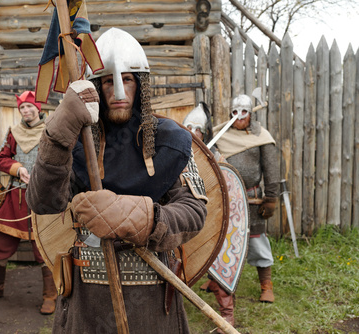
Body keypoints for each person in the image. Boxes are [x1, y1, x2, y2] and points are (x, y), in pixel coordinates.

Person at [26, 27, 208, 333]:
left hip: (152, 288)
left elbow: (194, 212)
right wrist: (58, 136)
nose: (118, 91)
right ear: (97, 87)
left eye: (127, 79)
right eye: (109, 81)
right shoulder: (81, 144)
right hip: (88, 290)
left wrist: (135, 216)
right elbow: (44, 201)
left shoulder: (168, 140)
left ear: (141, 86)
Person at [0, 91, 57, 315]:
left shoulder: (51, 130)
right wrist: (19, 169)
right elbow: (1, 159)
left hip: (42, 199)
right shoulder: (13, 133)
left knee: (43, 246)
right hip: (16, 197)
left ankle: (50, 295)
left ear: (38, 108)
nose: (26, 111)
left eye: (29, 107)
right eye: (22, 108)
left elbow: (62, 159)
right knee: (0, 241)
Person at [213, 94, 279, 304]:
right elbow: (209, 153)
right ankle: (215, 280)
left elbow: (271, 169)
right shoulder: (221, 134)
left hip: (251, 199)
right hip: (226, 198)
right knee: (220, 240)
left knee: (257, 241)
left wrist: (271, 198)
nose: (239, 117)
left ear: (251, 114)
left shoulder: (262, 137)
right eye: (235, 112)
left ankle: (266, 286)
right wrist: (215, 152)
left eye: (243, 113)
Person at [185, 103, 235, 332]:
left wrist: (219, 165)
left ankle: (227, 316)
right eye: (188, 127)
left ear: (204, 134)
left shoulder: (215, 156)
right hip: (183, 218)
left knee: (220, 259)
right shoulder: (175, 151)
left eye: (197, 128)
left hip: (211, 220)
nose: (193, 132)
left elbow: (226, 191)